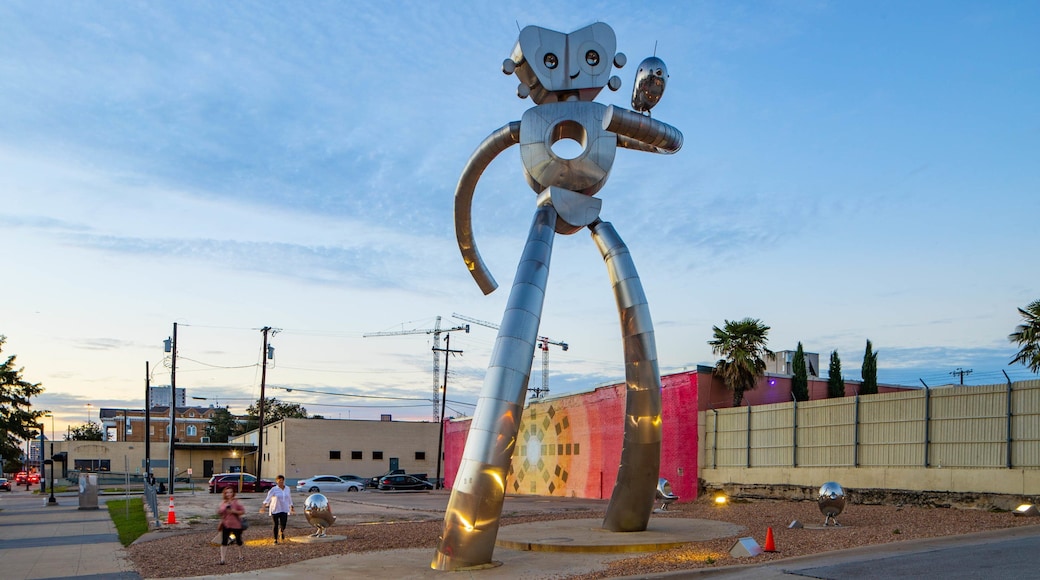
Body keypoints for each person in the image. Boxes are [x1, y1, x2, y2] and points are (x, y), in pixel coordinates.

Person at [260, 475, 294, 543]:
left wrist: (291, 507)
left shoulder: (287, 488)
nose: (281, 482)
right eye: (279, 481)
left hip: (284, 509)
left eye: (282, 480)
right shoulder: (274, 489)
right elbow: (267, 499)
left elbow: (289, 498)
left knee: (283, 524)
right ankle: (275, 539)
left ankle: (281, 531)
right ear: (277, 481)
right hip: (275, 509)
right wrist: (263, 507)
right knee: (275, 524)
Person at [217, 487, 245, 564]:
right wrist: (222, 510)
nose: (229, 494)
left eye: (230, 492)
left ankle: (240, 555)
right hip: (226, 524)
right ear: (225, 494)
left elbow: (242, 511)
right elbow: (220, 512)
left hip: (236, 524)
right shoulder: (223, 503)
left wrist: (234, 511)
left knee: (239, 541)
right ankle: (222, 559)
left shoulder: (236, 502)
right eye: (227, 492)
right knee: (224, 541)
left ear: (233, 493)